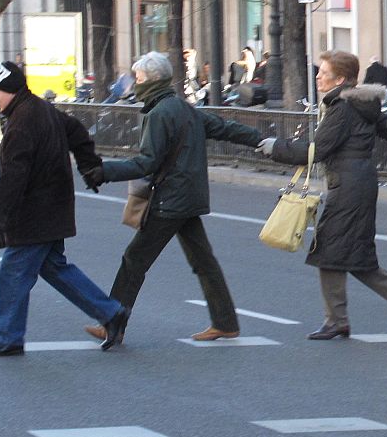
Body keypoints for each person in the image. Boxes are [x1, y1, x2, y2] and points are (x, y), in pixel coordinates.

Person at [81, 51, 264, 345]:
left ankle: (111, 321)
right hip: (188, 197)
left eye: (138, 78)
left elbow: (147, 163)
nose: (135, 83)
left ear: (151, 82)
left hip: (170, 201)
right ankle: (225, 322)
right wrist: (262, 140)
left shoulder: (158, 114)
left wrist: (104, 171)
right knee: (204, 261)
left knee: (134, 260)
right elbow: (225, 128)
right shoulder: (182, 107)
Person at [257, 50, 387, 339]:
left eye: (323, 72)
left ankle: (339, 320)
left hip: (349, 187)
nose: (317, 76)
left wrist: (276, 148)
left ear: (340, 79)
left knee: (329, 251)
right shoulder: (360, 102)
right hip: (356, 184)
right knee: (347, 252)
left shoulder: (342, 108)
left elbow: (319, 149)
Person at [0, 61, 125, 356]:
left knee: (13, 271)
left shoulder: (22, 122)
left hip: (34, 211)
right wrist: (89, 166)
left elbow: (13, 176)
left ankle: (9, 338)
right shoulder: (39, 108)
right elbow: (76, 130)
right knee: (54, 268)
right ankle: (110, 313)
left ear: (10, 90)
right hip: (54, 206)